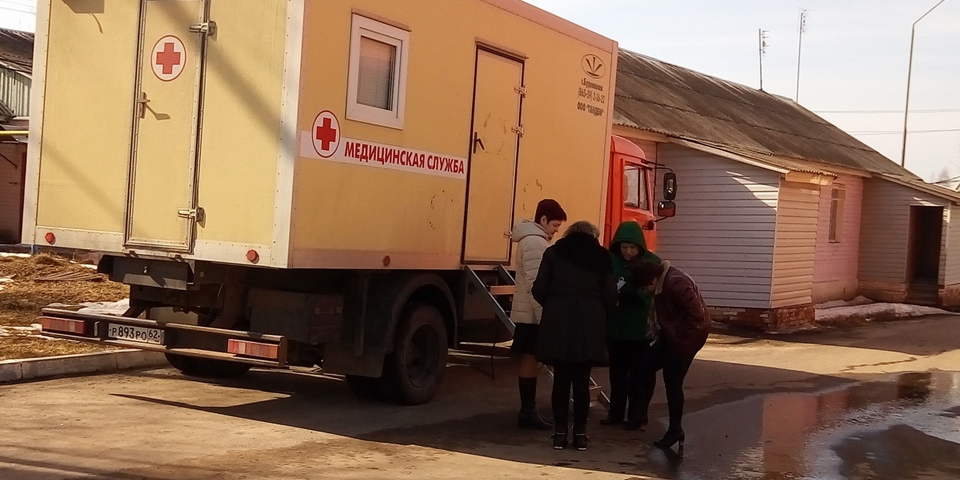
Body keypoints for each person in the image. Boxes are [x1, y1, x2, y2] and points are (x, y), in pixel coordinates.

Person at [532, 221, 617, 451]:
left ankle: (560, 435)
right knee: (581, 381)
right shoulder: (602, 256)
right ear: (593, 236)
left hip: (558, 321)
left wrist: (554, 304)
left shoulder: (553, 253)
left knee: (561, 380)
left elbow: (538, 289)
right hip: (589, 323)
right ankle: (580, 435)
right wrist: (600, 312)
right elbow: (610, 295)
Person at [630, 257, 711, 455]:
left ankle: (675, 430)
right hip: (673, 335)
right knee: (645, 364)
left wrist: (680, 341)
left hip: (686, 339)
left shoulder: (675, 283)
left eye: (645, 288)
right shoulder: (665, 281)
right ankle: (640, 412)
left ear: (652, 280)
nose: (646, 292)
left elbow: (697, 315)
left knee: (672, 382)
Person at [510, 199, 567, 429]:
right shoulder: (535, 242)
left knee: (529, 358)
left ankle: (527, 410)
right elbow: (537, 286)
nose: (556, 231)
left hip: (527, 312)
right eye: (555, 225)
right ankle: (528, 412)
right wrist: (546, 318)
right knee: (531, 358)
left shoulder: (531, 239)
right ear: (543, 219)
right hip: (533, 314)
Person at [601, 221, 661, 431]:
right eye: (624, 247)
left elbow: (655, 293)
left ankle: (637, 414)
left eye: (632, 247)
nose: (628, 252)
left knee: (639, 376)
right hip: (616, 329)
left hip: (640, 331)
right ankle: (615, 413)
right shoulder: (610, 261)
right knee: (617, 375)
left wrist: (635, 292)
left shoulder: (652, 262)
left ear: (640, 246)